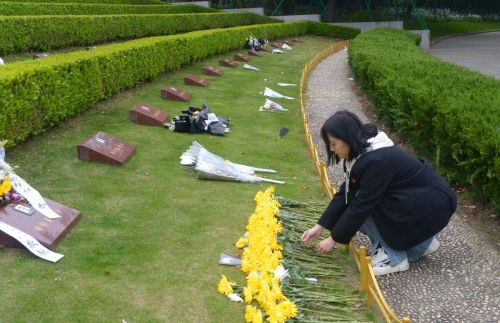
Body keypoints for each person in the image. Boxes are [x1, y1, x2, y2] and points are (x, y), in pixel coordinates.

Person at [301, 111, 457, 276]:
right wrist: (320, 227)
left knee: (365, 208)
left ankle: (394, 259)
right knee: (356, 203)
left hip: (432, 205)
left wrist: (333, 239)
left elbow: (362, 205)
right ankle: (422, 245)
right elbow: (346, 191)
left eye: (334, 144)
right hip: (426, 201)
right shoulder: (363, 150)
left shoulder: (376, 160)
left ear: (347, 138)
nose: (332, 150)